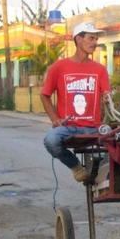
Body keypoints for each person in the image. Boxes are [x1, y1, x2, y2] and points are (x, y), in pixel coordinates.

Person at [41, 22, 111, 182]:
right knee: (50, 140)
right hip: (69, 128)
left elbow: (107, 94)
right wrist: (55, 119)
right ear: (78, 39)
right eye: (91, 38)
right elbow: (44, 94)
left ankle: (106, 176)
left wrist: (108, 97)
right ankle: (76, 167)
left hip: (94, 127)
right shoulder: (59, 67)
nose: (95, 42)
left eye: (96, 39)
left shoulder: (100, 69)